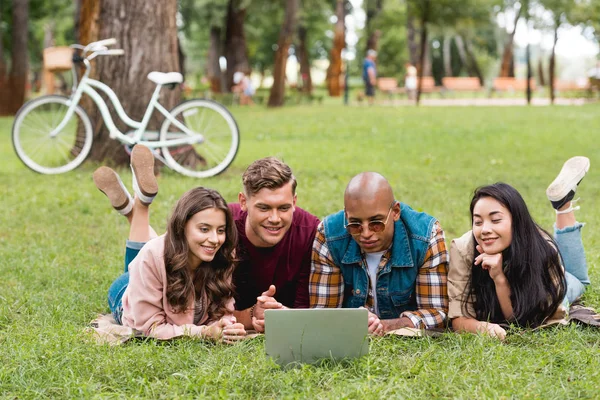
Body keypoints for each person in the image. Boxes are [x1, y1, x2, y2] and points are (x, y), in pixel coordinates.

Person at [94, 145, 246, 342]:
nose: (215, 239)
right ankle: (140, 206)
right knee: (152, 253)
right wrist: (203, 333)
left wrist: (225, 325)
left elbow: (224, 309)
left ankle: (134, 209)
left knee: (156, 249)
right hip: (125, 289)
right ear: (182, 227)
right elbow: (148, 327)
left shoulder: (223, 254)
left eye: (221, 230)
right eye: (204, 229)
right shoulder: (153, 255)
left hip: (156, 262)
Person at [448, 156, 592, 340]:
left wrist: (499, 278)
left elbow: (525, 322)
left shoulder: (543, 251)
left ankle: (563, 204)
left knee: (578, 281)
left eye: (496, 220)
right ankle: (562, 203)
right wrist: (483, 327)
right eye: (478, 221)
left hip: (548, 281)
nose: (485, 230)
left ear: (516, 221)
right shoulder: (462, 248)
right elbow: (459, 319)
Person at [310, 172, 449, 336]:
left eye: (376, 223)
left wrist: (381, 326)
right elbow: (322, 314)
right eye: (355, 224)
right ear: (346, 215)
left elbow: (437, 314)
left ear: (395, 212)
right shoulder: (329, 235)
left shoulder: (426, 236)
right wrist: (351, 322)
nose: (366, 233)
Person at [229, 157, 320, 332]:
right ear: (243, 202)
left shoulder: (310, 231)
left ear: (294, 202)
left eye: (284, 208)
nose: (275, 219)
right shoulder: (221, 226)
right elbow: (206, 314)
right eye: (264, 208)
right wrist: (253, 314)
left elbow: (307, 310)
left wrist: (283, 317)